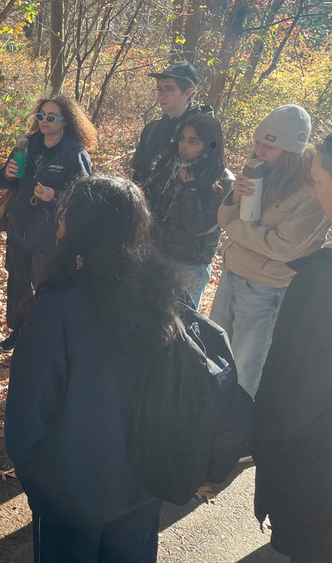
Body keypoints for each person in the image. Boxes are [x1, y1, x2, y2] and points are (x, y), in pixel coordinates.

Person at [5, 174, 180, 563]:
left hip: (71, 496)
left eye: (64, 214)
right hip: (141, 487)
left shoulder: (57, 310)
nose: (59, 221)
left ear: (79, 228)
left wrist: (40, 485)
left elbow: (26, 417)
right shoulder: (161, 300)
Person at [209, 105, 328, 398]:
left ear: (290, 150)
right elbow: (224, 218)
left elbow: (283, 246)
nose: (259, 150)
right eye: (258, 142)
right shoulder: (259, 170)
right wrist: (235, 197)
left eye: (269, 145)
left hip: (264, 290)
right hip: (231, 273)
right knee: (212, 352)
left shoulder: (315, 189)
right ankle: (204, 410)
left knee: (244, 368)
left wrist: (235, 227)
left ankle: (233, 430)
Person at [253, 133, 332, 563]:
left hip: (316, 479)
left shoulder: (321, 283)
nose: (315, 190)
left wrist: (260, 445)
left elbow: (294, 390)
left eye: (319, 180)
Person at [0, 95, 95, 350]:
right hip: (20, 228)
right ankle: (18, 331)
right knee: (17, 284)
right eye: (41, 116)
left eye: (51, 117)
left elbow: (84, 195)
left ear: (65, 121)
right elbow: (7, 181)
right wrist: (6, 174)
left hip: (51, 234)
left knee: (48, 288)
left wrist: (55, 196)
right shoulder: (26, 144)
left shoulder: (74, 153)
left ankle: (47, 337)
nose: (44, 121)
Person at [141, 113, 234, 307]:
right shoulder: (168, 165)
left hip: (188, 265)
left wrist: (190, 188)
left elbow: (199, 225)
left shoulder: (222, 181)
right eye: (182, 139)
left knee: (179, 326)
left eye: (193, 142)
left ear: (211, 145)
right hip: (155, 255)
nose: (184, 146)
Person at [130, 61, 213, 184]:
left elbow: (208, 182)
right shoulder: (152, 129)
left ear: (188, 93)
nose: (162, 95)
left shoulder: (204, 131)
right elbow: (137, 176)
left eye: (169, 89)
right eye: (159, 89)